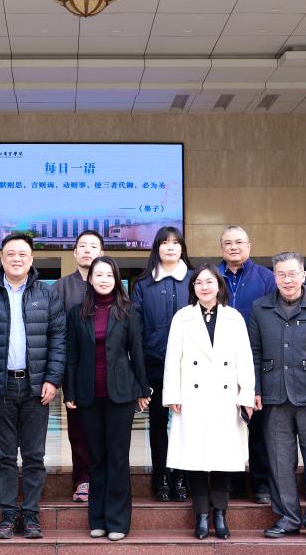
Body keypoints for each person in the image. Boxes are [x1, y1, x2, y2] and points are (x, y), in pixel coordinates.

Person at [0, 232, 66, 540]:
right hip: (0, 386)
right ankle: (8, 514)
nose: (17, 259)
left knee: (34, 455)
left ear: (31, 259)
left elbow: (58, 339)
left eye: (23, 254)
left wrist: (53, 379)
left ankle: (31, 514)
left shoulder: (47, 293)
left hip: (36, 387)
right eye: (11, 254)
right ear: (2, 258)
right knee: (4, 455)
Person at [249, 252, 306, 542]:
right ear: (274, 277)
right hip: (274, 396)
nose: (287, 280)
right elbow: (254, 353)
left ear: (304, 275)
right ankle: (287, 518)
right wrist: (255, 390)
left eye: (292, 274)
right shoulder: (260, 308)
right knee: (280, 462)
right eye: (281, 274)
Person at [163, 264, 255, 540]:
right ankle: (202, 514)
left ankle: (220, 514)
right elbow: (173, 358)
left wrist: (246, 394)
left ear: (219, 285)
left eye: (209, 282)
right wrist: (173, 394)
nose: (204, 287)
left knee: (223, 459)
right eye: (199, 283)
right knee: (195, 458)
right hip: (192, 398)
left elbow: (245, 359)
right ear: (193, 288)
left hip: (226, 398)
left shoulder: (234, 317)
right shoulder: (182, 317)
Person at [63, 256, 151, 542]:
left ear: (116, 279)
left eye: (109, 275)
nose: (104, 279)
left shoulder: (128, 311)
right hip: (88, 396)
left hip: (121, 395)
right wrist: (69, 391)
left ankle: (117, 521)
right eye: (98, 275)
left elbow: (137, 353)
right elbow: (72, 356)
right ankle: (97, 519)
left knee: (117, 457)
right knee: (96, 457)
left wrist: (143, 389)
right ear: (90, 279)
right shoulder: (77, 314)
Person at [130, 226, 193, 503]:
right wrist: (140, 376)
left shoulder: (193, 280)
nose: (170, 247)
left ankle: (182, 477)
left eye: (175, 243)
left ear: (182, 248)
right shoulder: (143, 284)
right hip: (155, 366)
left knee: (185, 424)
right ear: (156, 248)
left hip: (190, 368)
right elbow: (136, 331)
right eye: (164, 243)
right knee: (157, 425)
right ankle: (161, 478)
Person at [217, 225, 276, 504]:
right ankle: (233, 482)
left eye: (239, 242)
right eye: (228, 243)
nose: (234, 247)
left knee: (258, 424)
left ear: (249, 246)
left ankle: (261, 484)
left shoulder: (266, 278)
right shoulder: (211, 277)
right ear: (221, 248)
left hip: (257, 357)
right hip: (219, 362)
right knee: (227, 425)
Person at [52, 229, 104, 502]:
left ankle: (104, 478)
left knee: (106, 427)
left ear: (102, 253)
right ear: (74, 253)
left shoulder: (108, 283)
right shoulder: (61, 287)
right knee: (79, 427)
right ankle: (83, 479)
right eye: (82, 246)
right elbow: (55, 329)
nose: (87, 250)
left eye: (93, 246)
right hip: (74, 367)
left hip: (106, 367)